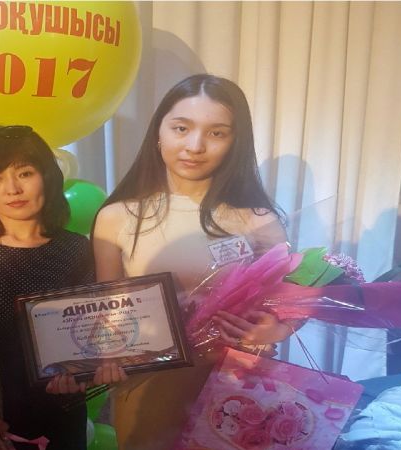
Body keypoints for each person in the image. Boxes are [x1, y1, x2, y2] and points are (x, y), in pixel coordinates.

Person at [92, 74, 296, 449]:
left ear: (235, 142)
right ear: (158, 132)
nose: (195, 146)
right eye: (181, 128)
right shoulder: (117, 217)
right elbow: (109, 311)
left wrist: (278, 330)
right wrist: (104, 355)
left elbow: (291, 300)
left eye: (216, 133)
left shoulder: (258, 220)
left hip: (234, 386)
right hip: (148, 387)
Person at [0, 125, 122, 450]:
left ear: (47, 176)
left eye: (25, 173)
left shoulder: (76, 249)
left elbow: (88, 332)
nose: (12, 189)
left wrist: (83, 373)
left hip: (55, 410)